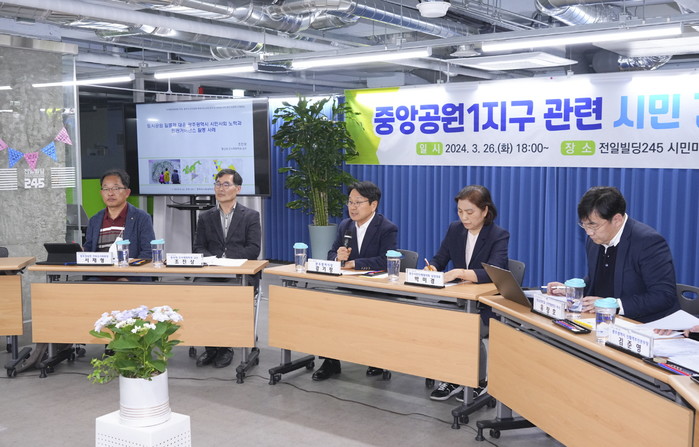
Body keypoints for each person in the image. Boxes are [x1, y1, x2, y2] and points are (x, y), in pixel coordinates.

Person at [547, 186, 679, 323]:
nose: (588, 232)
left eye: (593, 226)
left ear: (617, 220)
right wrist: (574, 291)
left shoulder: (647, 242)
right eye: (584, 225)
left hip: (648, 324)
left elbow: (663, 295)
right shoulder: (595, 239)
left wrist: (614, 306)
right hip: (607, 322)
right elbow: (597, 280)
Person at [426, 185, 509, 402]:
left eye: (470, 212)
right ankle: (453, 377)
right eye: (460, 212)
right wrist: (432, 268)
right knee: (435, 321)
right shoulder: (455, 229)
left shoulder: (498, 235)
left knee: (465, 327)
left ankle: (478, 381)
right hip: (458, 300)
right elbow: (440, 258)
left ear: (485, 210)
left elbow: (494, 271)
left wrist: (460, 273)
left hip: (486, 305)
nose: (464, 217)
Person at [312, 181, 398, 381]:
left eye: (358, 202)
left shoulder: (387, 228)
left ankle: (377, 359)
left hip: (376, 290)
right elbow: (331, 253)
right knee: (327, 309)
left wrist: (354, 264)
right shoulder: (345, 225)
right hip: (348, 287)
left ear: (373, 205)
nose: (352, 207)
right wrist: (337, 257)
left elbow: (387, 260)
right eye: (350, 202)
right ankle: (331, 361)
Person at [193, 168, 261, 368]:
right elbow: (198, 247)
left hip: (240, 273)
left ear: (237, 189)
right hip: (212, 272)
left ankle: (225, 348)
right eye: (217, 184)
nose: (220, 188)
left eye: (226, 184)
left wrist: (226, 260)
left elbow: (253, 249)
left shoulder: (250, 216)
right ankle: (211, 347)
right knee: (199, 292)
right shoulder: (205, 217)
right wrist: (215, 262)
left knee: (227, 296)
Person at [84, 169, 155, 260]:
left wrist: (129, 267)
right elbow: (88, 250)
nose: (110, 193)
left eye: (116, 188)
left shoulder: (142, 218)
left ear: (127, 192)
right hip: (100, 269)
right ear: (101, 193)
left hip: (129, 268)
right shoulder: (95, 220)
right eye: (106, 189)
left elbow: (148, 252)